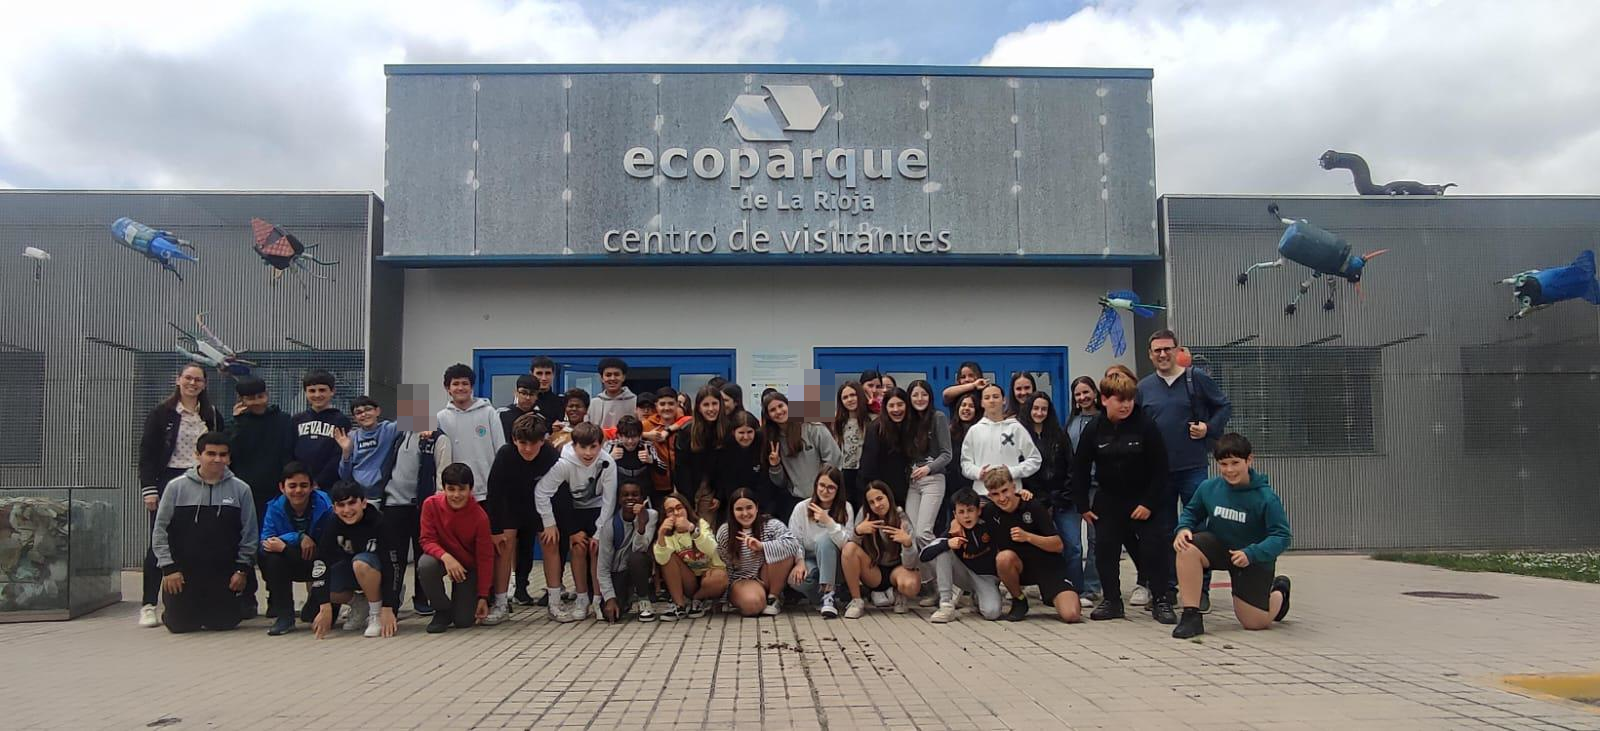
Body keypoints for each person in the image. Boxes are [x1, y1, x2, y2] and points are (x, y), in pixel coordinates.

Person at [1139, 329, 1233, 612]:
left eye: (1167, 349)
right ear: (1150, 355)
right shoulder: (1144, 388)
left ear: (1177, 350)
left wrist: (1209, 428)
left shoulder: (1196, 379)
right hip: (1159, 472)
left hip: (1193, 468)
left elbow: (1224, 405)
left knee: (1198, 528)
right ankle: (1167, 589)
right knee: (1165, 531)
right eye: (1157, 350)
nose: (1163, 354)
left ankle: (1200, 591)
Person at [1072, 371, 1175, 624]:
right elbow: (1080, 468)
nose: (1126, 405)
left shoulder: (1146, 425)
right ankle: (1112, 601)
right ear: (1104, 400)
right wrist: (1083, 505)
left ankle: (1161, 600)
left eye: (1129, 399)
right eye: (1120, 400)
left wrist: (1148, 503)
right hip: (1109, 498)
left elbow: (1161, 469)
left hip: (1144, 498)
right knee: (1105, 550)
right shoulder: (1094, 428)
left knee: (1153, 549)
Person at [1172, 433, 1293, 639]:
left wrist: (1251, 554)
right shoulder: (1208, 488)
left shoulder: (1266, 498)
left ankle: (1280, 592)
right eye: (1223, 464)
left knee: (1254, 623)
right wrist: (1183, 528)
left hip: (1252, 557)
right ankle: (1191, 616)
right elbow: (1191, 512)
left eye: (1235, 463)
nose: (1229, 470)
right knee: (1186, 548)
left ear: (1249, 460)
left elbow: (1282, 536)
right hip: (1219, 547)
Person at [136, 364, 224, 627]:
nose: (192, 383)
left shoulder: (211, 414)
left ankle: (199, 601)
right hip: (169, 480)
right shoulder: (162, 413)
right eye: (188, 378)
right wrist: (149, 489)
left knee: (201, 539)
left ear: (205, 384)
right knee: (160, 540)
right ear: (178, 380)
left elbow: (221, 447)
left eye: (198, 380)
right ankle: (149, 604)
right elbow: (147, 454)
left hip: (203, 480)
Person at [150, 431, 257, 633]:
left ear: (229, 458)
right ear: (197, 455)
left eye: (223, 454)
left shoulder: (241, 490)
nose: (217, 459)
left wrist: (242, 570)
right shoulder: (175, 488)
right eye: (211, 454)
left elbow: (250, 533)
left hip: (223, 573)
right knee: (180, 626)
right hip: (183, 573)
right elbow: (160, 530)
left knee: (224, 624)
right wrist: (169, 569)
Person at [535, 421, 617, 622]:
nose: (588, 453)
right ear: (573, 445)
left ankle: (598, 599)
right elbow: (542, 492)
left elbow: (609, 500)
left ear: (601, 445)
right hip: (571, 511)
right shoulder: (564, 464)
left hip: (598, 510)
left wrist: (599, 532)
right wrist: (549, 523)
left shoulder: (607, 463)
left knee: (596, 548)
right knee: (578, 548)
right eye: (583, 447)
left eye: (593, 447)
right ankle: (582, 598)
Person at [227, 375, 295, 616]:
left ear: (266, 395)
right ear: (241, 400)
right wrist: (237, 423)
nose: (256, 402)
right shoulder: (236, 423)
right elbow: (230, 454)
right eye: (250, 398)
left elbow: (289, 454)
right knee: (244, 544)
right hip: (243, 494)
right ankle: (247, 598)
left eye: (259, 396)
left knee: (271, 546)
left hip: (275, 493)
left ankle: (276, 597)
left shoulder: (284, 421)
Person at [484, 413, 559, 625]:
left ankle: (555, 602)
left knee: (550, 543)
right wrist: (495, 530)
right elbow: (494, 493)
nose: (527, 449)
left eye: (533, 443)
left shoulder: (550, 455)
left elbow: (560, 491)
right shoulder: (505, 454)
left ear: (543, 440)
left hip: (541, 506)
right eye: (522, 443)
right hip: (511, 505)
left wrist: (552, 523)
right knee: (503, 545)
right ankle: (500, 604)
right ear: (514, 439)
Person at [983, 470, 1082, 622]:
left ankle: (1053, 596)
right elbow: (965, 510)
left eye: (1005, 491)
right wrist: (955, 523)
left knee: (1071, 615)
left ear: (1014, 487)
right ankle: (1019, 600)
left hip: (1048, 567)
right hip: (1020, 568)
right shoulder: (989, 511)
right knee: (1003, 558)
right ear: (989, 495)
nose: (1002, 498)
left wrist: (1028, 537)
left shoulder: (1032, 506)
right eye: (995, 494)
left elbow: (1058, 545)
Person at [308, 480, 399, 639]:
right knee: (317, 586)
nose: (347, 510)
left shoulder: (379, 522)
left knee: (360, 563)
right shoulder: (332, 523)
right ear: (334, 508)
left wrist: (388, 606)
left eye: (352, 503)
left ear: (363, 503)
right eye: (341, 505)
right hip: (349, 571)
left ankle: (375, 614)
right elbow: (321, 562)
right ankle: (359, 604)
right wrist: (324, 606)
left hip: (377, 573)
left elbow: (393, 565)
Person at [418, 463, 494, 633]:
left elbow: (485, 558)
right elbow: (426, 540)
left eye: (462, 489)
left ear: (471, 489)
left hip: (468, 567)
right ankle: (442, 609)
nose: (456, 495)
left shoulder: (480, 517)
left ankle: (465, 603)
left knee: (464, 621)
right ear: (443, 488)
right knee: (426, 565)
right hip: (442, 559)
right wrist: (446, 557)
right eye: (451, 489)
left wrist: (483, 596)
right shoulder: (430, 505)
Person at [1019, 392, 1083, 596]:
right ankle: (1047, 587)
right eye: (1036, 408)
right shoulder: (1020, 435)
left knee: (1072, 546)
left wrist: (1063, 496)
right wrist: (1037, 499)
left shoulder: (1059, 435)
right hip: (1035, 501)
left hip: (1063, 500)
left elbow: (1071, 467)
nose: (1039, 413)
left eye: (1044, 409)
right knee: (1040, 546)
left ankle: (1076, 589)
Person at [258, 462, 333, 635]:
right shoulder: (274, 507)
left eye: (303, 485)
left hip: (320, 560)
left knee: (310, 616)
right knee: (270, 557)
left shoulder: (325, 506)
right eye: (292, 486)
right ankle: (285, 616)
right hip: (290, 558)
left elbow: (329, 544)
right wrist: (298, 537)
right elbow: (265, 542)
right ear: (282, 488)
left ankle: (317, 602)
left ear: (312, 486)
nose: (298, 490)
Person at [920, 487, 1005, 623]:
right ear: (955, 514)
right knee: (943, 550)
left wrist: (1021, 494)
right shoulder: (953, 530)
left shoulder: (989, 522)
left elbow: (1002, 504)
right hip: (964, 575)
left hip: (987, 578)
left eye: (970, 510)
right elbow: (923, 555)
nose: (966, 516)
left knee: (992, 613)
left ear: (978, 511)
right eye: (961, 512)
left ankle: (977, 597)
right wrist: (948, 543)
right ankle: (946, 605)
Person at [838, 480, 921, 618]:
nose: (877, 505)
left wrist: (907, 544)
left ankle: (899, 594)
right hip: (873, 570)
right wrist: (858, 532)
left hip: (898, 570)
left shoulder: (902, 518)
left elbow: (911, 564)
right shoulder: (864, 515)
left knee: (911, 585)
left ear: (888, 497)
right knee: (849, 548)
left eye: (880, 498)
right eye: (871, 502)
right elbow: (850, 552)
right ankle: (856, 601)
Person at [717, 488, 801, 616]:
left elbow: (794, 544)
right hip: (742, 580)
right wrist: (723, 599)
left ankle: (773, 597)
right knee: (753, 605)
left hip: (769, 575)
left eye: (749, 508)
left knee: (784, 551)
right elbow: (724, 564)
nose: (745, 513)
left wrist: (762, 546)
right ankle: (753, 599)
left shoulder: (771, 525)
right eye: (739, 509)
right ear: (732, 511)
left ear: (756, 507)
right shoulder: (725, 532)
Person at [787, 466, 854, 618]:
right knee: (795, 579)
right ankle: (823, 598)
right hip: (810, 560)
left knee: (824, 540)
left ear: (838, 490)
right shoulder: (802, 508)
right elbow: (794, 540)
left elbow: (847, 544)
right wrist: (799, 562)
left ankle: (829, 594)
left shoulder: (846, 508)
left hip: (837, 563)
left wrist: (829, 522)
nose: (825, 491)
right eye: (822, 485)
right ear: (816, 485)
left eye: (831, 487)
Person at [652, 491, 730, 620]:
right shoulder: (667, 533)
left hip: (709, 576)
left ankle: (697, 600)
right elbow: (662, 560)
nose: (676, 513)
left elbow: (712, 549)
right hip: (689, 579)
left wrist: (692, 529)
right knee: (667, 557)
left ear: (686, 509)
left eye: (679, 508)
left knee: (720, 578)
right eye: (670, 511)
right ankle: (679, 605)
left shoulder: (701, 524)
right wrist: (661, 535)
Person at [763, 390, 842, 518]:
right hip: (796, 501)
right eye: (772, 410)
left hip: (825, 498)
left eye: (781, 406)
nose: (778, 411)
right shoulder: (772, 439)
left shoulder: (813, 428)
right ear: (768, 415)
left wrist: (823, 489)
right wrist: (775, 466)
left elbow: (834, 460)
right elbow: (780, 483)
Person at [435, 363, 504, 503]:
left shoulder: (489, 412)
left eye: (465, 383)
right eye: (455, 384)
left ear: (472, 387)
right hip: (455, 493)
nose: (460, 388)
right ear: (448, 388)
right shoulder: (440, 417)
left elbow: (501, 449)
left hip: (487, 492)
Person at [958, 384, 1041, 497]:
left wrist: (1012, 471)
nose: (992, 401)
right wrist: (978, 472)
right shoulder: (974, 430)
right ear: (982, 403)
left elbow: (1035, 459)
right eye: (987, 398)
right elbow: (965, 463)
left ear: (1004, 400)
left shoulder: (1016, 428)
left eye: (996, 396)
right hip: (982, 494)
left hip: (1011, 494)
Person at [595, 480, 660, 622]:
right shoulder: (610, 526)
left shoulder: (651, 516)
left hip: (640, 565)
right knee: (611, 614)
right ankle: (627, 597)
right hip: (619, 572)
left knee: (636, 557)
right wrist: (610, 598)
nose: (630, 498)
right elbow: (603, 568)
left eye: (635, 495)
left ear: (642, 498)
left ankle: (644, 600)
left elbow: (640, 548)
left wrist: (641, 524)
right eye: (625, 495)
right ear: (619, 500)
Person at [1066, 376, 1106, 607]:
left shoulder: (1105, 419)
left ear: (1095, 392)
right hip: (1075, 487)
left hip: (1098, 487)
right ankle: (1073, 586)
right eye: (1078, 394)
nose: (1082, 398)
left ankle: (1092, 588)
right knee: (1072, 542)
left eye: (1086, 392)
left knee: (1095, 539)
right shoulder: (1071, 422)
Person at [904, 380, 951, 560]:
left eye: (924, 394)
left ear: (930, 397)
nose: (919, 398)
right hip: (913, 483)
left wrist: (928, 468)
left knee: (923, 533)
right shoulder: (908, 420)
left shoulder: (938, 417)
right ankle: (924, 575)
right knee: (911, 533)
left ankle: (947, 572)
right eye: (915, 395)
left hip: (933, 480)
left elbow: (947, 454)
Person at [293, 369, 351, 490]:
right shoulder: (297, 420)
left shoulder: (341, 420)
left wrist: (319, 482)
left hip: (329, 486)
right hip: (300, 484)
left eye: (322, 390)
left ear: (332, 391)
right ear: (305, 392)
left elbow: (338, 454)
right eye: (312, 391)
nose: (317, 395)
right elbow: (290, 451)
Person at [336, 395, 401, 501]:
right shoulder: (351, 437)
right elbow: (344, 476)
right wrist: (346, 452)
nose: (364, 414)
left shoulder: (388, 430)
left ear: (377, 411)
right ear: (354, 418)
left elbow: (413, 416)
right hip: (357, 497)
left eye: (368, 409)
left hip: (383, 496)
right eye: (358, 412)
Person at [860, 387, 912, 508]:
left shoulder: (911, 426)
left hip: (908, 491)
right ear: (885, 408)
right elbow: (868, 467)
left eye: (900, 404)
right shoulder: (876, 429)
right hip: (883, 493)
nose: (896, 409)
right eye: (891, 405)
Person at [712, 411, 776, 509]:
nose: (745, 437)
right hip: (734, 499)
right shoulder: (725, 448)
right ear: (733, 432)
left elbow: (766, 481)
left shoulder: (763, 444)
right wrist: (719, 496)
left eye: (749, 432)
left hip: (762, 499)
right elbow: (723, 478)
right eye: (741, 433)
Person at [674, 385, 727, 502]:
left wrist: (719, 495)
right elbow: (681, 469)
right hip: (691, 492)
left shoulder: (727, 430)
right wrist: (687, 499)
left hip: (715, 493)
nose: (711, 409)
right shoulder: (687, 431)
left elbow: (727, 468)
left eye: (714, 404)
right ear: (698, 407)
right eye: (706, 405)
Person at [940, 390, 982, 536]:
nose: (966, 409)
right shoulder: (948, 431)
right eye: (963, 405)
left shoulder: (981, 432)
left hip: (974, 484)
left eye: (971, 406)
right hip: (952, 486)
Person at [644, 388, 691, 510]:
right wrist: (646, 435)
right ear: (656, 406)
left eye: (671, 403)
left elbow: (692, 419)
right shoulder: (647, 425)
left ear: (677, 404)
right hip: (657, 485)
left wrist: (669, 430)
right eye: (662, 404)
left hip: (683, 484)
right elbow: (623, 432)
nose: (667, 408)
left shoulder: (685, 422)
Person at [830, 380, 871, 506]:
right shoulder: (838, 422)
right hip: (846, 473)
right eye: (845, 397)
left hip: (867, 472)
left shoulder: (872, 419)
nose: (849, 400)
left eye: (853, 395)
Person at [605, 415, 667, 492]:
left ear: (640, 436)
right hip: (618, 489)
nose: (630, 441)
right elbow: (597, 469)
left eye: (634, 436)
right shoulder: (611, 446)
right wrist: (610, 458)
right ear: (619, 436)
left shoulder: (646, 446)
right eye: (627, 437)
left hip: (643, 489)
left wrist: (651, 460)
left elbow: (664, 470)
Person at [589, 357, 637, 430]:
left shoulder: (635, 402)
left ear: (623, 377)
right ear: (601, 378)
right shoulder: (593, 403)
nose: (612, 378)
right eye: (608, 375)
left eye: (616, 374)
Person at [498, 373, 542, 443]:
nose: (528, 398)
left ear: (537, 396)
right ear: (516, 393)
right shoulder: (503, 414)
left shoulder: (539, 417)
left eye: (532, 394)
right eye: (524, 393)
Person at [527, 356, 567, 427]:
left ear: (553, 375)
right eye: (539, 373)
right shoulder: (525, 401)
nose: (544, 378)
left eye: (548, 373)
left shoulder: (562, 403)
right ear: (531, 374)